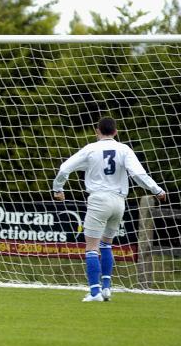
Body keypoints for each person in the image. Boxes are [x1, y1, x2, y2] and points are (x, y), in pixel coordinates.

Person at [52, 117, 165, 302]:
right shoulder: (124, 149)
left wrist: (58, 189)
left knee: (91, 248)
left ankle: (95, 292)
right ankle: (106, 289)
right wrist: (157, 190)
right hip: (119, 202)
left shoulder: (91, 149)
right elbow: (137, 174)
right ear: (115, 131)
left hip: (99, 200)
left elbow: (64, 168)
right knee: (106, 244)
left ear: (97, 131)